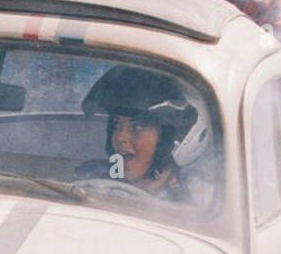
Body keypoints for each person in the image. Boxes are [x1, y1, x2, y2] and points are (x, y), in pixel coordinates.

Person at [76, 66, 219, 207]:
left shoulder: (202, 198)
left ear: (173, 138)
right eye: (116, 124)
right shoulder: (91, 184)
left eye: (138, 126)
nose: (120, 137)